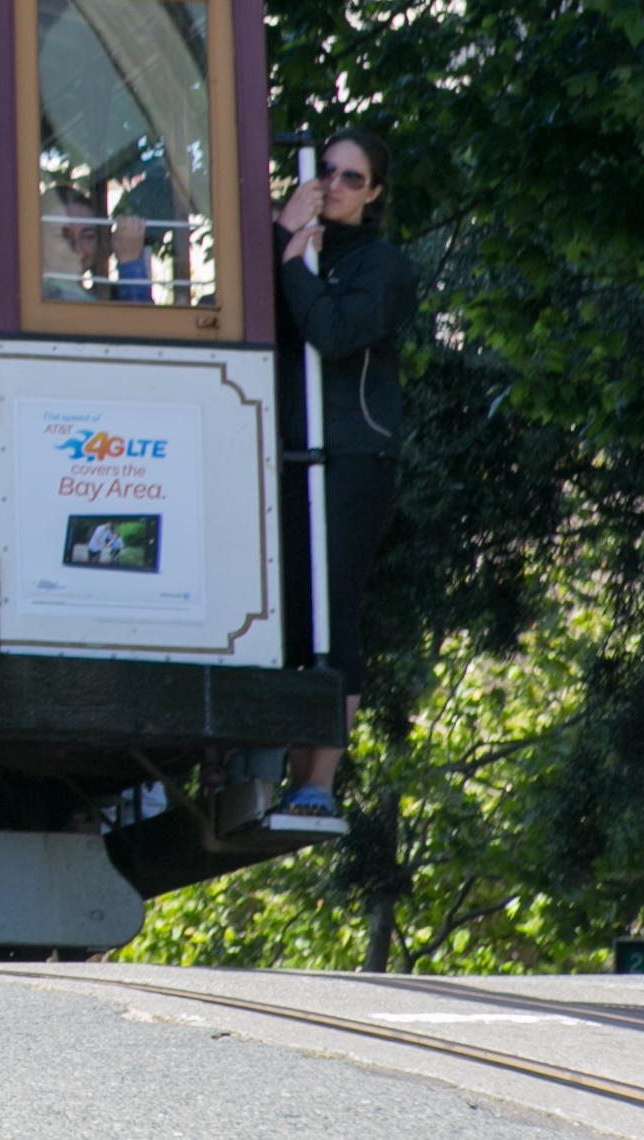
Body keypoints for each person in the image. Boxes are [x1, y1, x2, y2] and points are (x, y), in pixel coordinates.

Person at [278, 127, 418, 820]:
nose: (332, 186)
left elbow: (331, 335)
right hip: (282, 447)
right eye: (324, 171)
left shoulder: (384, 265)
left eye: (351, 178)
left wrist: (295, 262)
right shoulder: (289, 250)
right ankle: (272, 766)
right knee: (282, 606)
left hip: (352, 453)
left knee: (332, 605)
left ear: (375, 193)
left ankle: (317, 781)